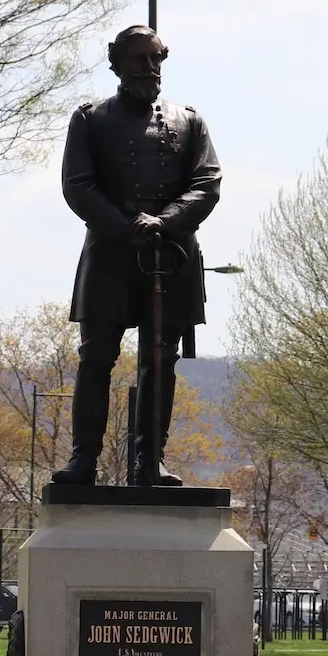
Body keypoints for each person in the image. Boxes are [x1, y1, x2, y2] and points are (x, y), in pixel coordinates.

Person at [50, 25, 221, 487]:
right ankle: (83, 459)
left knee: (160, 360)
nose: (149, 68)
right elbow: (78, 186)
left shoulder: (190, 121)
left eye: (156, 59)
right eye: (139, 59)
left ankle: (151, 462)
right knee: (97, 356)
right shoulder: (91, 119)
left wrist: (163, 222)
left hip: (172, 257)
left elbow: (207, 184)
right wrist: (127, 227)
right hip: (110, 253)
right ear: (117, 65)